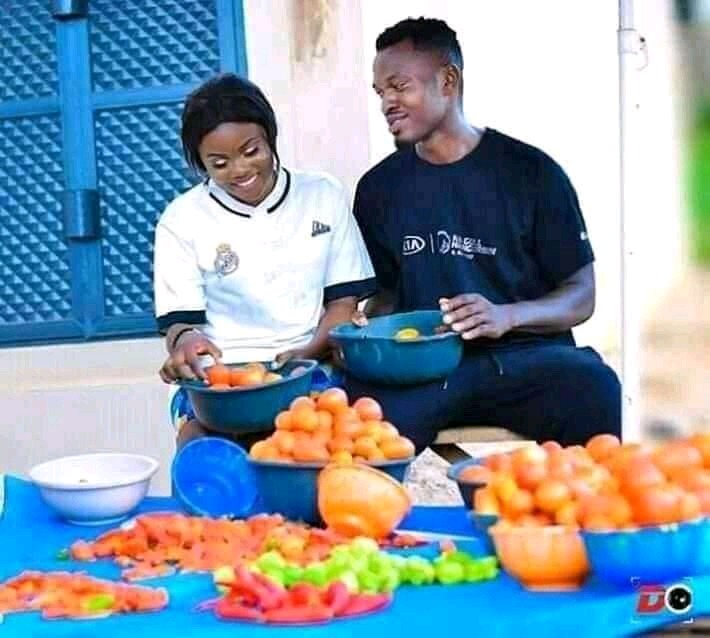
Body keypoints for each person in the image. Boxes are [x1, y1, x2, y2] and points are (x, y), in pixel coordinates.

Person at [348, 17, 622, 452]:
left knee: (594, 387)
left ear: (448, 80)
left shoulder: (531, 173)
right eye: (381, 92)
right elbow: (386, 296)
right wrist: (360, 326)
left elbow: (581, 295)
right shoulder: (379, 189)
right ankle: (374, 516)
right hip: (428, 372)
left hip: (528, 361)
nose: (387, 103)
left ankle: (590, 515)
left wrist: (506, 316)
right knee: (350, 419)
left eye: (400, 86)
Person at [154, 74, 376, 448]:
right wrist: (187, 341)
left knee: (317, 447)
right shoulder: (181, 219)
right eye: (219, 162)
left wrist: (306, 353)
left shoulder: (321, 195)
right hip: (223, 377)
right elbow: (180, 325)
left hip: (311, 368)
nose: (240, 170)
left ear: (270, 139)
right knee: (202, 452)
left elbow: (343, 304)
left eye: (251, 151)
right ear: (200, 163)